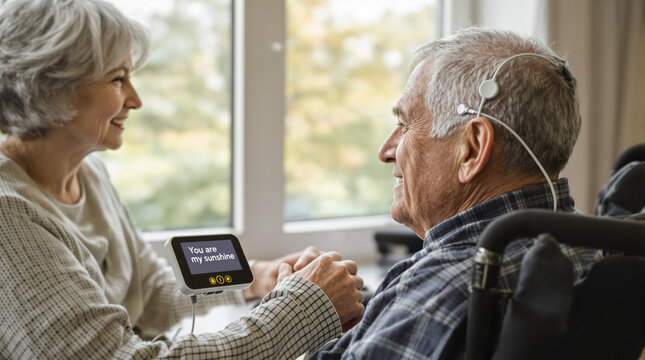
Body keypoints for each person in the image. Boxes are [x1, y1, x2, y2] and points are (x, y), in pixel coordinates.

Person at [0, 0, 364, 359]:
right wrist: (303, 309)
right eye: (118, 79)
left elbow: (153, 291)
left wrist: (258, 278)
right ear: (50, 86)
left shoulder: (89, 173)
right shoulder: (9, 213)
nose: (136, 100)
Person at [312, 28, 601, 359]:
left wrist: (293, 313)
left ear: (472, 150)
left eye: (404, 125)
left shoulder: (446, 286)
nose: (385, 150)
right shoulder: (592, 250)